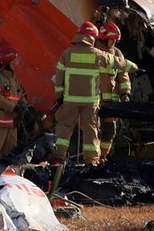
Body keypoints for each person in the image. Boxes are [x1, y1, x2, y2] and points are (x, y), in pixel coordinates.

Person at [51, 22, 108, 167]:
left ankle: (58, 158)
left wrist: (59, 96)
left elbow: (59, 77)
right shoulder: (97, 54)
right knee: (91, 130)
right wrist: (133, 66)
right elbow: (115, 63)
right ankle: (92, 161)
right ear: (91, 38)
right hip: (90, 103)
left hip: (70, 101)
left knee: (64, 128)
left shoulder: (67, 53)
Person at [96, 21, 131, 159]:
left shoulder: (117, 53)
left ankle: (102, 157)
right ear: (104, 38)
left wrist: (125, 94)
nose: (114, 43)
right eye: (112, 40)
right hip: (94, 101)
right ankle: (91, 159)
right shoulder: (93, 51)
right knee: (93, 132)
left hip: (110, 102)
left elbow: (123, 75)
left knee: (110, 131)